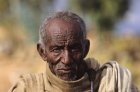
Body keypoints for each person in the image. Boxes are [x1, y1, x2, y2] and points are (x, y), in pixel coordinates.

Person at [9, 11, 138, 92]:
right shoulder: (27, 88)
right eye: (57, 50)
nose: (67, 59)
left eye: (74, 48)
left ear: (86, 49)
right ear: (42, 52)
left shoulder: (112, 83)